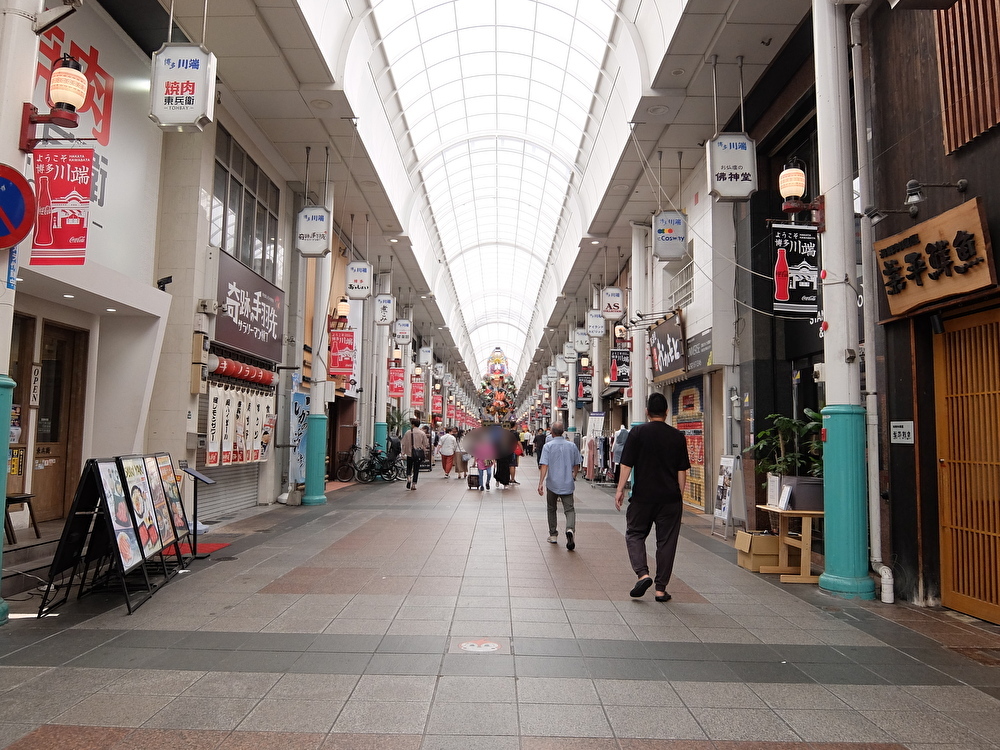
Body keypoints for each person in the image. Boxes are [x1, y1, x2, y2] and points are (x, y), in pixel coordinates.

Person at [614, 392, 690, 602]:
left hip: (642, 497)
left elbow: (626, 463)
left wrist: (620, 489)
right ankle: (660, 589)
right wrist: (679, 497)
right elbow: (682, 470)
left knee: (635, 533)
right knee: (666, 542)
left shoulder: (637, 433)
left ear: (647, 412)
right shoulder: (677, 436)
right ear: (667, 412)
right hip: (670, 498)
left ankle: (642, 573)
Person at [537, 422, 582, 550]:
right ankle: (570, 529)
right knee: (570, 509)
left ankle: (553, 535)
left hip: (552, 483)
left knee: (551, 508)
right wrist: (573, 476)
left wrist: (541, 482)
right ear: (563, 432)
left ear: (551, 432)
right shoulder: (572, 446)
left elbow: (544, 465)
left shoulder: (548, 446)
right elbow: (576, 464)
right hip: (567, 483)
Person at [401, 418, 430, 491]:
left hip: (409, 453)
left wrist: (403, 452)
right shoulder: (422, 433)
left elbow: (403, 443)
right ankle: (413, 484)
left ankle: (408, 478)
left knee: (409, 467)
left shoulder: (408, 432)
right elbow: (426, 444)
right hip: (418, 454)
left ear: (413, 424)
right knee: (416, 469)